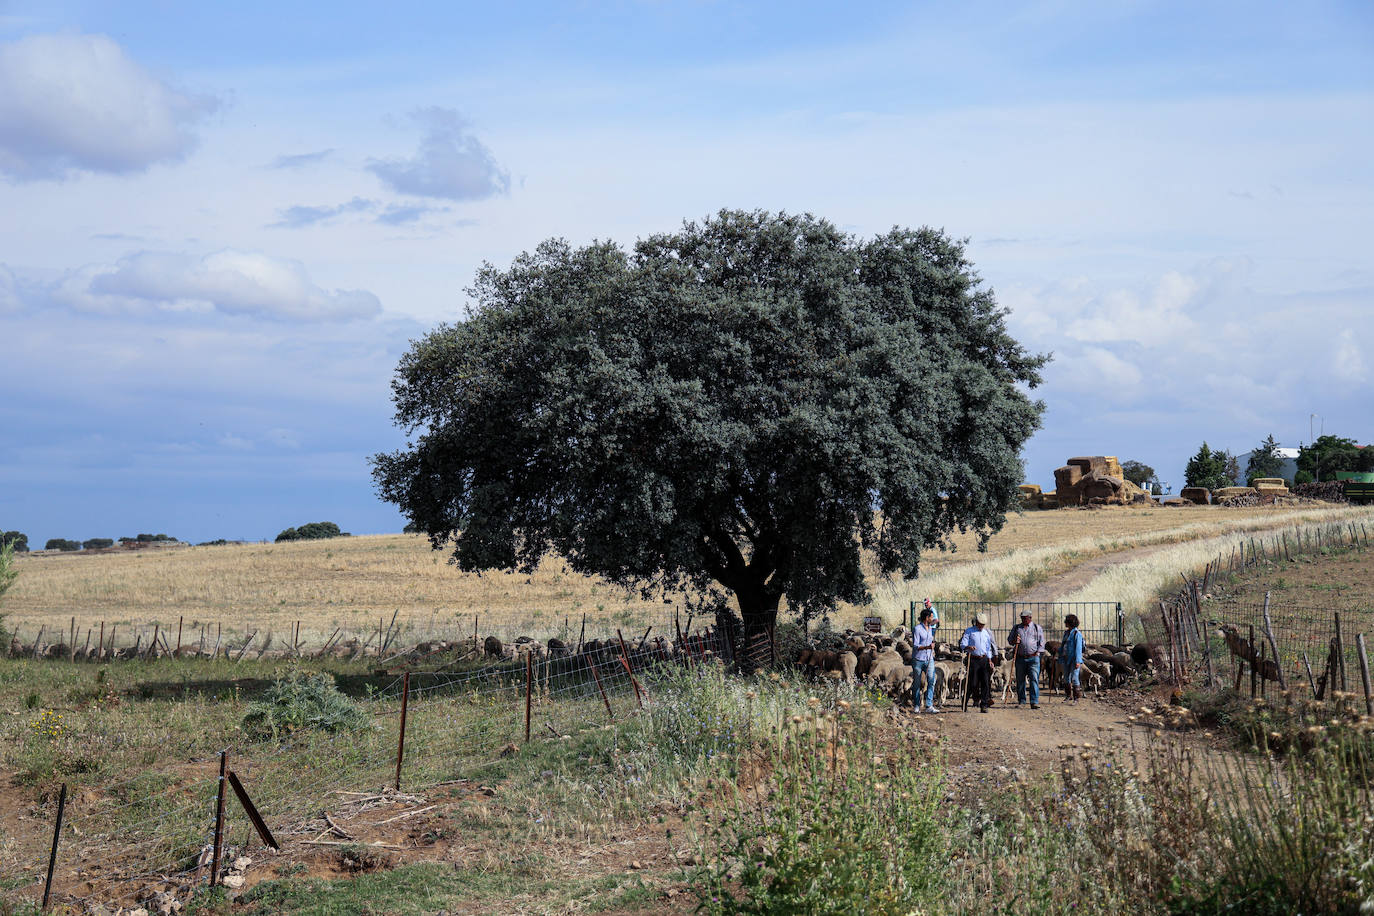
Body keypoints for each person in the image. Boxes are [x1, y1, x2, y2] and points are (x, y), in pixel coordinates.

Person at [959, 612, 998, 713]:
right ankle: (965, 702)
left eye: (983, 624)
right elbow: (962, 644)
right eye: (980, 624)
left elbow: (988, 648)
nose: (982, 626)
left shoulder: (986, 633)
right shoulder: (969, 631)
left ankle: (984, 705)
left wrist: (990, 659)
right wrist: (968, 647)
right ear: (976, 623)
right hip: (973, 659)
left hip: (984, 659)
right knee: (972, 682)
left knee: (985, 682)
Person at [1008, 610, 1045, 709]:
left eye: (1025, 618)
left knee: (1034, 679)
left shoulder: (1037, 628)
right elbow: (1010, 640)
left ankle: (1034, 701)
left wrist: (1038, 653)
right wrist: (1014, 640)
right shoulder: (1017, 628)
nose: (1023, 619)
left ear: (1030, 618)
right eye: (1022, 618)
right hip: (1020, 658)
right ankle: (1022, 701)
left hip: (1033, 658)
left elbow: (1042, 643)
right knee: (1020, 680)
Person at [911, 607, 940, 713]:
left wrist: (932, 646)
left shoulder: (931, 629)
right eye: (931, 617)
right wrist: (927, 647)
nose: (933, 619)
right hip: (918, 659)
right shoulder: (917, 629)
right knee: (917, 682)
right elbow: (915, 645)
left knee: (931, 681)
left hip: (929, 658)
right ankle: (917, 705)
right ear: (926, 618)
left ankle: (929, 705)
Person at [1058, 613, 1085, 702]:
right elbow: (1063, 645)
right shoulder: (1066, 633)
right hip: (1065, 658)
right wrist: (1059, 652)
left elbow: (1078, 648)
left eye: (1066, 621)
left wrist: (1078, 661)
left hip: (1074, 659)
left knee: (1074, 677)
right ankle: (1068, 695)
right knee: (1066, 677)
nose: (1065, 623)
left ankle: (1076, 697)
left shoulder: (1077, 634)